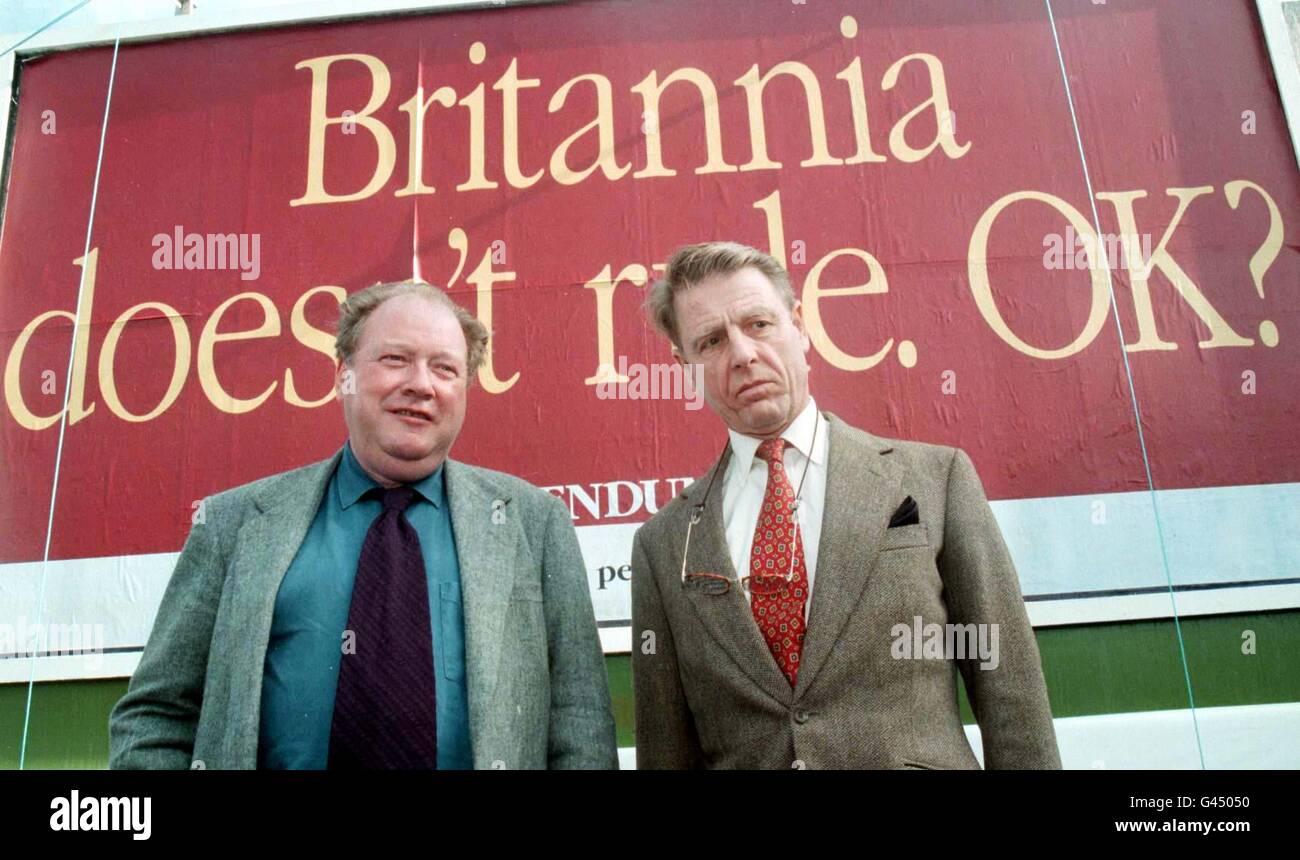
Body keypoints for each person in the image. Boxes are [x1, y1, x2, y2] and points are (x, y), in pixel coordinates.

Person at [110, 280, 617, 769]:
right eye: (395, 359)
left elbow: (580, 723)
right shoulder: (234, 524)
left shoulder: (534, 524)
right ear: (343, 374)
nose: (421, 384)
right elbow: (156, 716)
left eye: (445, 368)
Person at [631, 242, 1060, 769]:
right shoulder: (665, 544)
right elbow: (664, 752)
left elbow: (1008, 687)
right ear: (684, 365)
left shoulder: (934, 480)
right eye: (712, 341)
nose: (742, 354)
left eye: (758, 324)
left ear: (799, 326)